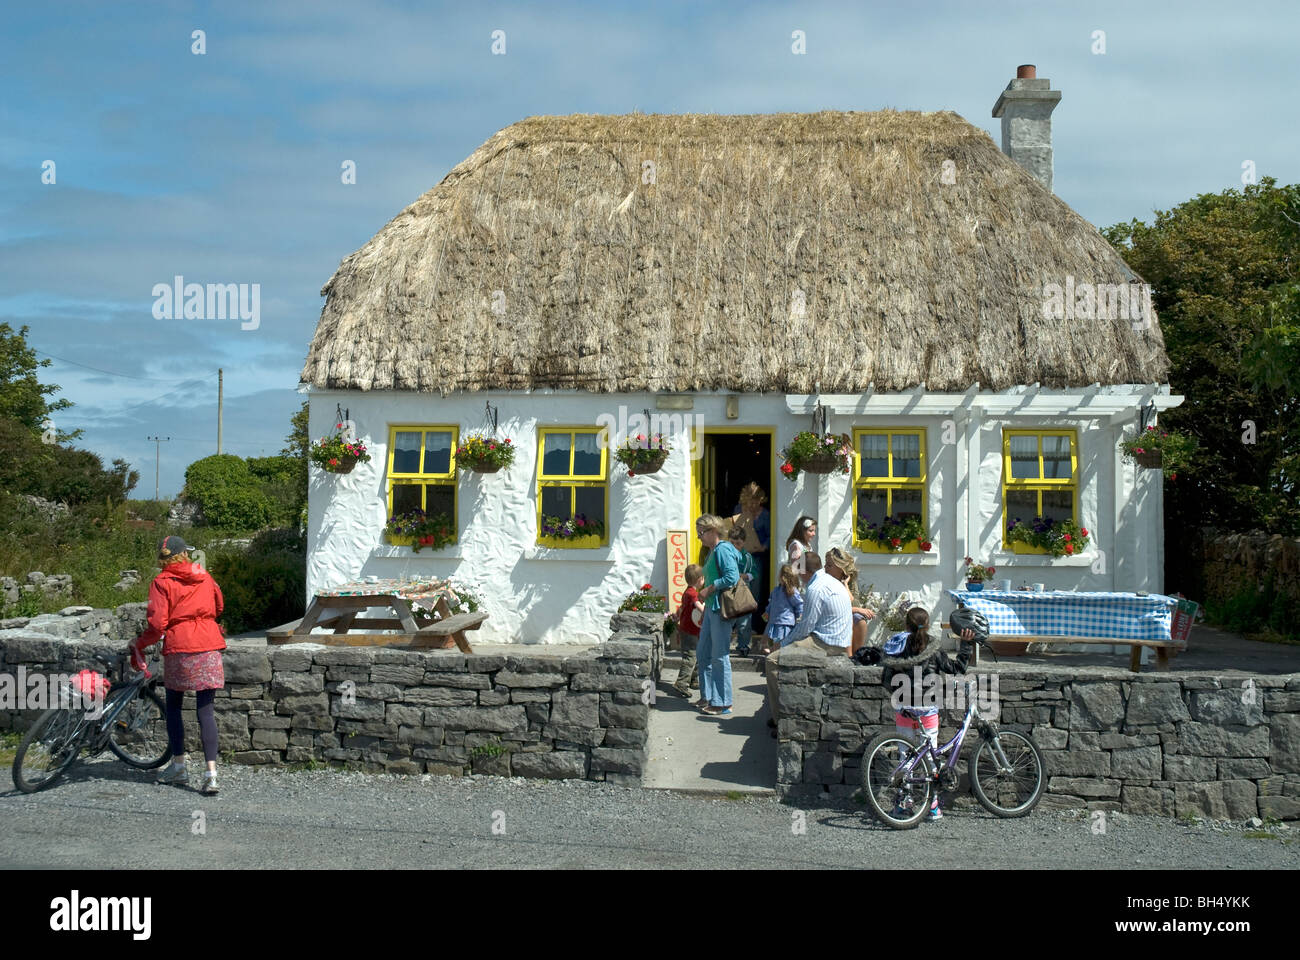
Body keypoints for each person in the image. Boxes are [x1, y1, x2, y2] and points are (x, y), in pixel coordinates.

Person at [128, 536, 227, 795]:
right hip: (208, 644)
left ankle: (180, 766)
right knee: (205, 710)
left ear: (163, 559)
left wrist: (140, 643)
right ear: (185, 554)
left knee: (173, 706)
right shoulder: (203, 575)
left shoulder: (161, 582)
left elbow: (158, 624)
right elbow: (219, 606)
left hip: (179, 647)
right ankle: (211, 775)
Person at [880, 607, 979, 822]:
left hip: (905, 710)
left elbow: (886, 678)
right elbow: (957, 668)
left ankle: (902, 804)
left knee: (905, 757)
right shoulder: (934, 648)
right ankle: (932, 805)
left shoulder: (897, 647)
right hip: (928, 710)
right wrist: (965, 645)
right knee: (930, 758)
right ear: (928, 624)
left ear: (906, 625)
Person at [765, 546, 854, 729]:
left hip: (827, 643)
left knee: (772, 661)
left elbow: (806, 627)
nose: (797, 575)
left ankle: (780, 719)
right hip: (837, 640)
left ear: (804, 571)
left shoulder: (816, 588)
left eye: (798, 570)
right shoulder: (827, 580)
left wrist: (781, 644)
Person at [694, 514, 740, 716]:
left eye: (701, 533)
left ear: (713, 531)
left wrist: (709, 589)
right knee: (703, 653)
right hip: (712, 609)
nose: (699, 538)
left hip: (720, 609)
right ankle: (709, 696)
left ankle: (723, 702)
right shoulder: (713, 551)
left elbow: (732, 576)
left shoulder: (723, 550)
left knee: (720, 656)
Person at [728, 483, 770, 647]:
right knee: (735, 590)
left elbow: (770, 535)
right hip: (738, 556)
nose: (753, 505)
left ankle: (751, 627)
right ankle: (734, 627)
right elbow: (733, 529)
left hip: (757, 557)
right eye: (750, 501)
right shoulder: (738, 509)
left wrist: (764, 546)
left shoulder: (765, 515)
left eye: (756, 501)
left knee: (754, 592)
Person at [672, 564, 705, 697]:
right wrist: (708, 613)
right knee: (690, 656)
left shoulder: (687, 592)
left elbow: (682, 608)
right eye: (703, 578)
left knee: (696, 654)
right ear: (699, 579)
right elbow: (699, 607)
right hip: (690, 630)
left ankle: (694, 679)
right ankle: (681, 683)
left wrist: (677, 616)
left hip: (688, 628)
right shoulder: (693, 594)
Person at [758, 563, 804, 658]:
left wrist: (800, 616)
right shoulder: (776, 590)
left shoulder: (792, 591)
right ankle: (772, 653)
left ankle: (774, 657)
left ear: (784, 577)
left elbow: (799, 605)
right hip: (774, 620)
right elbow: (771, 602)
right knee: (769, 640)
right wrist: (767, 611)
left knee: (779, 643)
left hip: (785, 622)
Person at [829, 563, 876, 654]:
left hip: (848, 611)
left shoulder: (849, 581)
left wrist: (845, 584)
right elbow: (838, 608)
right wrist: (858, 610)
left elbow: (853, 602)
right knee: (848, 621)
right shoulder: (828, 581)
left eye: (829, 565)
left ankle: (857, 655)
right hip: (834, 615)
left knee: (860, 621)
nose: (825, 567)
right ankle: (849, 657)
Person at [726, 525, 757, 656]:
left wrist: (743, 576)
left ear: (743, 542)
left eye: (738, 543)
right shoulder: (725, 555)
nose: (734, 546)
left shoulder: (748, 557)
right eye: (732, 543)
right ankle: (723, 646)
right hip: (727, 593)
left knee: (744, 623)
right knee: (726, 621)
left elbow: (754, 573)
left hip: (743, 593)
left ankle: (743, 646)